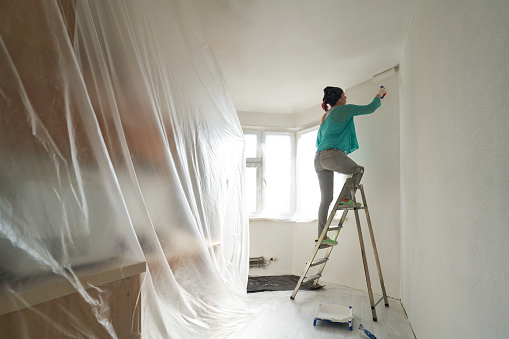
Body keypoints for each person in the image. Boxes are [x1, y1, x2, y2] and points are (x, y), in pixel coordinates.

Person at [315, 86, 386, 246]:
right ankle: (346, 199)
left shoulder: (324, 116)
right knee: (357, 170)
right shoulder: (344, 110)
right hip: (331, 154)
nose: (346, 98)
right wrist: (379, 94)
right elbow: (370, 108)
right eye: (344, 95)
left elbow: (319, 141)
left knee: (325, 199)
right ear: (339, 99)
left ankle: (321, 237)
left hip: (318, 158)